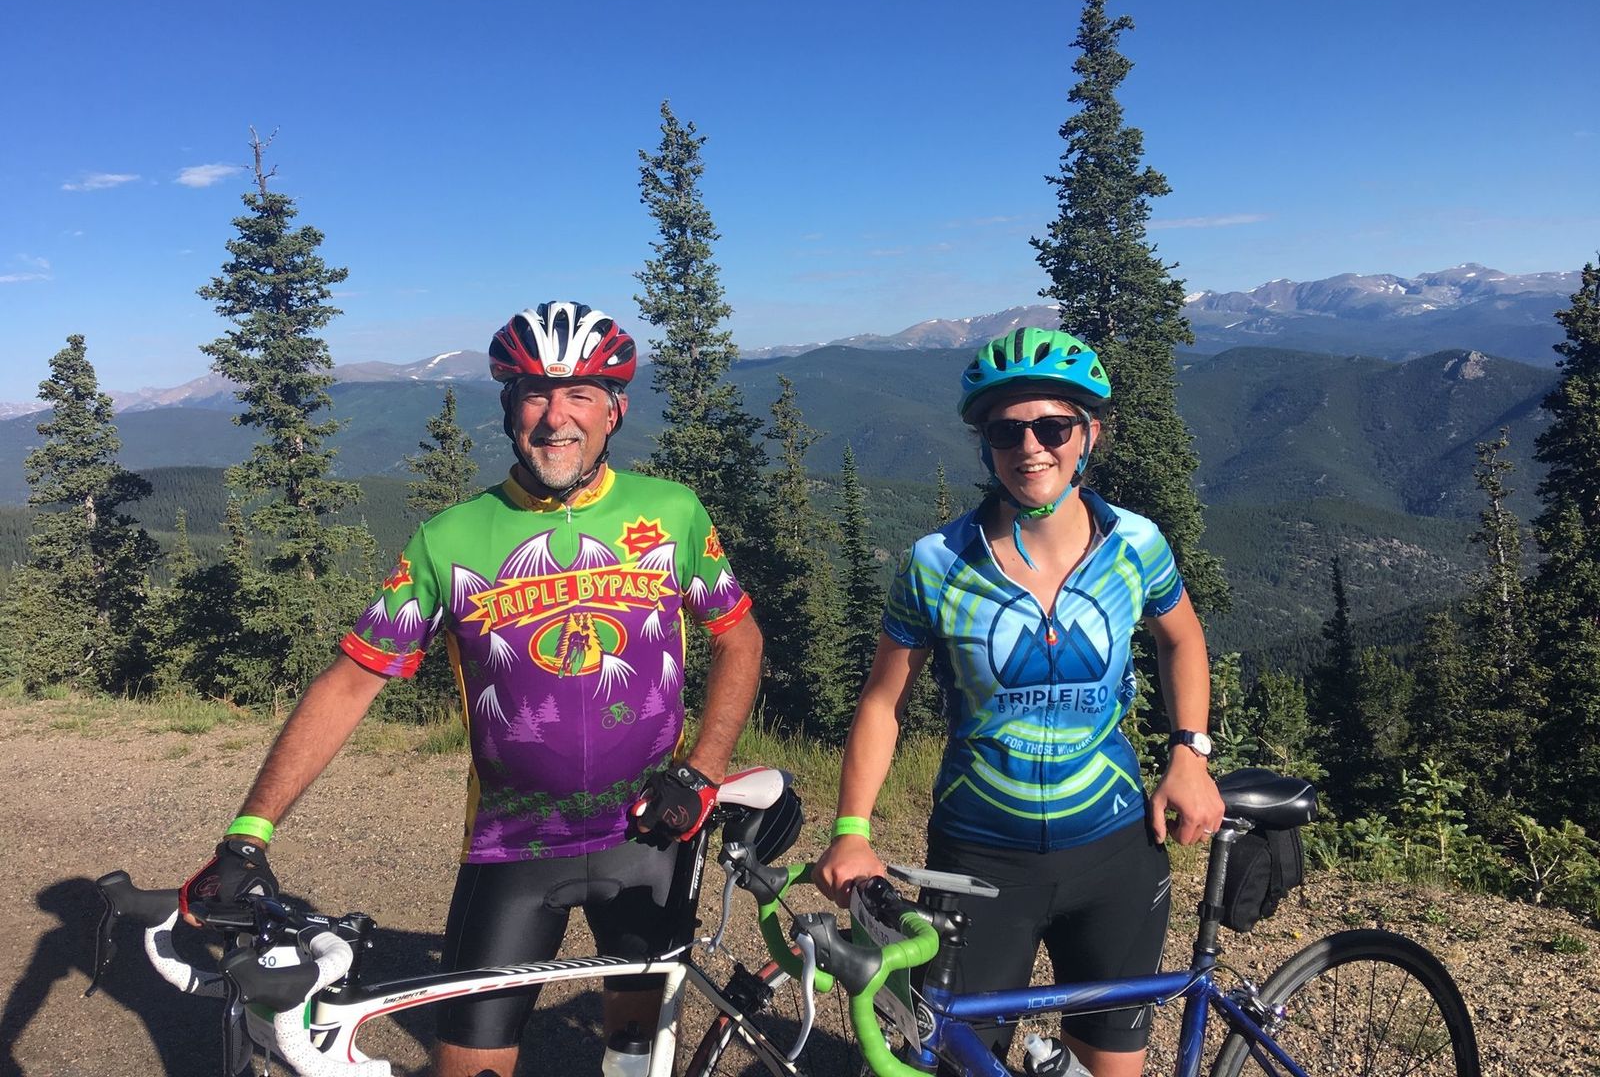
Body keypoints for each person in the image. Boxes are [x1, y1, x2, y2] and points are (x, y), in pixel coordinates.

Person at [181, 301, 763, 1077]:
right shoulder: (449, 539)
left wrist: (703, 768)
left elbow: (738, 637)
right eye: (535, 395)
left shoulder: (672, 513)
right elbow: (353, 680)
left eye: (580, 394)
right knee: (470, 1062)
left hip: (651, 834)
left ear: (615, 411)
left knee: (636, 1052)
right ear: (509, 409)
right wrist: (247, 834)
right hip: (512, 847)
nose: (557, 418)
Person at [816, 326, 1223, 1077]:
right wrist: (851, 829)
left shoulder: (1136, 544)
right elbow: (882, 703)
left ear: (1089, 434)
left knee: (1111, 1068)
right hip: (977, 865)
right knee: (961, 1062)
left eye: (1053, 427)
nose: (1030, 447)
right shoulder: (937, 563)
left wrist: (1189, 754)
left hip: (1116, 854)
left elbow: (1182, 639)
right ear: (985, 445)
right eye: (1007, 431)